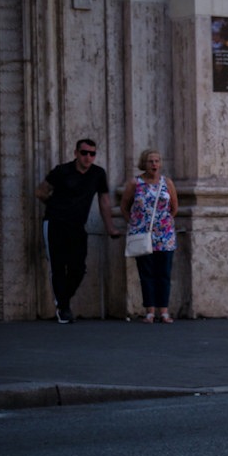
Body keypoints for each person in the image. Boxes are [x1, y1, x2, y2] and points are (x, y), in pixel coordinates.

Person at [35, 138, 120, 323]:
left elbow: (104, 201)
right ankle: (63, 308)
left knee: (78, 268)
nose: (88, 157)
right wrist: (54, 205)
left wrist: (111, 227)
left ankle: (63, 302)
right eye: (84, 153)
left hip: (77, 226)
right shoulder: (62, 171)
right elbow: (40, 191)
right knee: (58, 266)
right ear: (76, 153)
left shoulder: (98, 174)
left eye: (92, 154)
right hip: (55, 223)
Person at [120, 150, 179, 323]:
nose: (154, 164)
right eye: (150, 161)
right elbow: (124, 206)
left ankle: (164, 311)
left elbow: (174, 207)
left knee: (164, 273)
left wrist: (164, 222)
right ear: (143, 164)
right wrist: (133, 223)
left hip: (164, 236)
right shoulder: (135, 183)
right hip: (143, 234)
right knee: (146, 273)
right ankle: (150, 311)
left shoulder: (166, 182)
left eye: (157, 161)